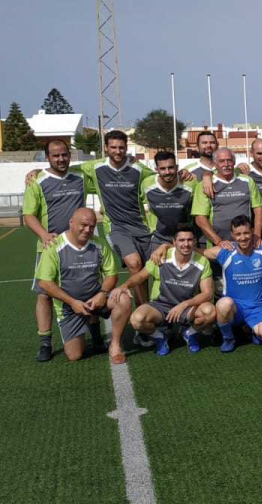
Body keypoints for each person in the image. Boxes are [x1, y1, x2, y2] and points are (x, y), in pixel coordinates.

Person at [35, 208, 132, 364]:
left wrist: (102, 293)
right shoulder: (54, 246)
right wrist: (72, 302)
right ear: (71, 223)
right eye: (84, 225)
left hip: (97, 298)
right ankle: (89, 329)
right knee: (75, 355)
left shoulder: (99, 244)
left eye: (92, 226)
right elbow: (44, 283)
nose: (87, 230)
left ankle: (114, 345)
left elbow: (111, 275)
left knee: (123, 298)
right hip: (70, 306)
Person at [22, 139, 88, 362]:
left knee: (90, 287)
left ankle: (96, 338)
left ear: (70, 155)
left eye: (64, 155)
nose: (61, 159)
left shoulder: (81, 176)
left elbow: (110, 165)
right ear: (47, 158)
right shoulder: (37, 181)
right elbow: (28, 215)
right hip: (50, 248)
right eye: (55, 155)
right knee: (44, 294)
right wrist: (43, 234)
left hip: (80, 246)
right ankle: (45, 342)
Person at [78, 130, 161, 302]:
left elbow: (160, 179)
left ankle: (147, 315)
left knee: (149, 270)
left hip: (141, 227)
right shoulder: (95, 167)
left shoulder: (138, 169)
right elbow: (67, 170)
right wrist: (36, 171)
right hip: (116, 227)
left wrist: (185, 175)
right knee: (134, 264)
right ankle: (142, 316)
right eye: (113, 147)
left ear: (126, 148)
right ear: (106, 148)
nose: (117, 151)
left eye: (121, 147)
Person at [126, 227, 216, 355]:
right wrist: (124, 286)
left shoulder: (202, 262)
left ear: (195, 242)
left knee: (210, 312)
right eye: (181, 240)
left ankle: (189, 334)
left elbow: (207, 293)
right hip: (161, 305)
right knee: (136, 319)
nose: (186, 244)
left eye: (190, 240)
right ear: (174, 242)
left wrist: (184, 304)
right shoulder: (161, 257)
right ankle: (160, 338)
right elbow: (140, 276)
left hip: (186, 308)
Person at [198, 214, 262, 351]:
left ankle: (252, 331)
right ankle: (228, 338)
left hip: (258, 307)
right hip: (235, 308)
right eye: (238, 234)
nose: (243, 237)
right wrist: (167, 247)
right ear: (232, 235)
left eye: (246, 233)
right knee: (224, 304)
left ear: (252, 231)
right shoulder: (226, 252)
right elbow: (198, 252)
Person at [192, 147, 262, 245]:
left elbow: (259, 209)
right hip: (218, 243)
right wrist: (218, 241)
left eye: (229, 160)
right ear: (215, 164)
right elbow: (200, 218)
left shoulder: (247, 181)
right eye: (221, 161)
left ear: (234, 162)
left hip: (246, 241)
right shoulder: (204, 185)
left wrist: (256, 235)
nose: (226, 164)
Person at [142, 151, 197, 247]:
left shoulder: (190, 184)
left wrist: (206, 176)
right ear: (156, 169)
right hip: (158, 238)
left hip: (185, 239)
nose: (167, 172)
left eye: (171, 168)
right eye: (162, 168)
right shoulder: (146, 184)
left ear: (177, 167)